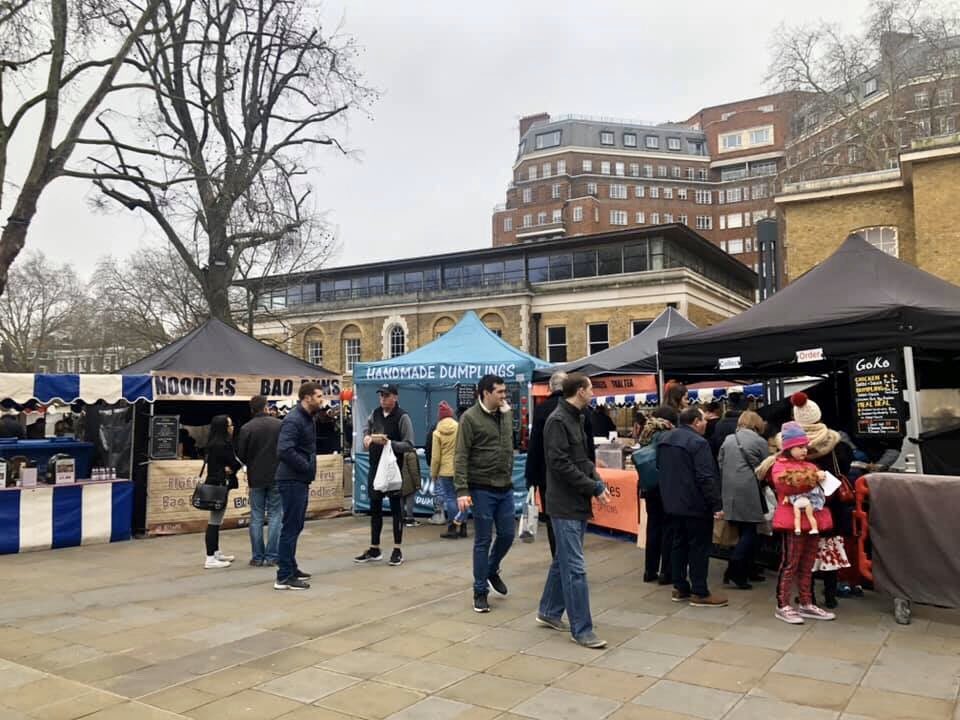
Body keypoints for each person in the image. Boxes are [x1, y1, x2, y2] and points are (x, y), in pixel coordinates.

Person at [537, 373, 612, 649]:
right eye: (591, 389)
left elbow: (581, 459)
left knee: (563, 561)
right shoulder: (557, 421)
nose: (593, 393)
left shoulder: (578, 417)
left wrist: (596, 481)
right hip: (564, 504)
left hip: (576, 501)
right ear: (580, 391)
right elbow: (560, 464)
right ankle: (582, 629)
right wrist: (592, 487)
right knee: (575, 569)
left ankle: (548, 610)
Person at [454, 374, 515, 613]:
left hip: (505, 486)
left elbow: (509, 444)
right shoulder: (469, 418)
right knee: (482, 540)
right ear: (485, 393)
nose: (504, 396)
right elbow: (460, 455)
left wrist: (507, 414)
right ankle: (480, 591)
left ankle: (491, 569)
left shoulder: (506, 414)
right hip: (481, 488)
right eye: (499, 392)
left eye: (504, 391)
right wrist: (462, 489)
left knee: (508, 534)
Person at [657, 407, 727, 607]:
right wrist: (716, 504)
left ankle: (680, 587)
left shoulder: (664, 439)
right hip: (695, 504)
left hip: (672, 502)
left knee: (678, 544)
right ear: (696, 421)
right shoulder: (698, 442)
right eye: (704, 420)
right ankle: (700, 591)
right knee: (699, 548)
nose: (706, 423)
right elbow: (706, 476)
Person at [771, 422, 836, 624]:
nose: (804, 450)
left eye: (805, 447)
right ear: (789, 447)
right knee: (790, 563)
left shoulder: (811, 465)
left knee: (807, 564)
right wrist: (814, 478)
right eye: (800, 447)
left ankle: (806, 603)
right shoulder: (779, 466)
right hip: (793, 523)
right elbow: (787, 484)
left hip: (812, 521)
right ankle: (783, 605)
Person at [354, 383, 415, 566]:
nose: (383, 399)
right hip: (375, 466)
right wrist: (367, 436)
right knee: (375, 507)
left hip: (393, 468)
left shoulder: (402, 417)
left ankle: (397, 549)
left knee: (396, 509)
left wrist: (390, 443)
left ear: (395, 397)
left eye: (386, 396)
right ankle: (375, 547)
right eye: (381, 395)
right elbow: (367, 428)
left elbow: (409, 444)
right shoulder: (375, 413)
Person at [273, 382, 325, 590]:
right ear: (307, 398)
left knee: (296, 525)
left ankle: (290, 567)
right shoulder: (294, 420)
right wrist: (305, 466)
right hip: (292, 479)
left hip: (299, 479)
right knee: (291, 527)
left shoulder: (307, 418)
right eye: (319, 396)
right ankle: (283, 576)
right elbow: (284, 449)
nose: (322, 400)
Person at [717, 410, 770, 589]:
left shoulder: (729, 439)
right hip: (749, 489)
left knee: (741, 530)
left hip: (729, 489)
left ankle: (746, 569)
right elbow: (766, 466)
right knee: (750, 531)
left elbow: (720, 463)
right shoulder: (759, 441)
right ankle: (735, 569)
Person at [235, 395, 283, 567]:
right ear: (265, 407)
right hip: (276, 474)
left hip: (255, 476)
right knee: (276, 515)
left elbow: (241, 454)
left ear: (251, 409)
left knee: (256, 516)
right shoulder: (278, 425)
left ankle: (257, 556)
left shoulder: (247, 428)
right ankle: (272, 556)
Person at [635, 406, 678, 584]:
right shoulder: (666, 435)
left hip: (649, 486)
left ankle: (649, 570)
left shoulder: (647, 432)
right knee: (668, 529)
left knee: (653, 528)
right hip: (664, 485)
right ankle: (666, 572)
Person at [525, 371, 567, 557]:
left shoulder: (542, 409)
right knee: (570, 518)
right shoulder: (575, 408)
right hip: (570, 475)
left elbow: (534, 446)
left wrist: (531, 478)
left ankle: (557, 557)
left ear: (550, 388)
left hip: (545, 474)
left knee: (552, 518)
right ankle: (570, 557)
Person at [202, 415, 242, 569]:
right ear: (223, 428)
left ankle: (215, 551)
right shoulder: (222, 444)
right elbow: (234, 463)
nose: (232, 428)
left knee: (217, 521)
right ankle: (210, 557)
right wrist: (230, 467)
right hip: (218, 485)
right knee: (214, 521)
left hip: (216, 483)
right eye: (230, 425)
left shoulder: (212, 443)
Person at [431, 401, 465, 539]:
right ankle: (462, 526)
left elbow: (436, 457)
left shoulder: (437, 432)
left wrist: (434, 474)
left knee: (450, 498)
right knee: (462, 497)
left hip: (445, 471)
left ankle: (452, 528)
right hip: (460, 468)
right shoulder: (459, 428)